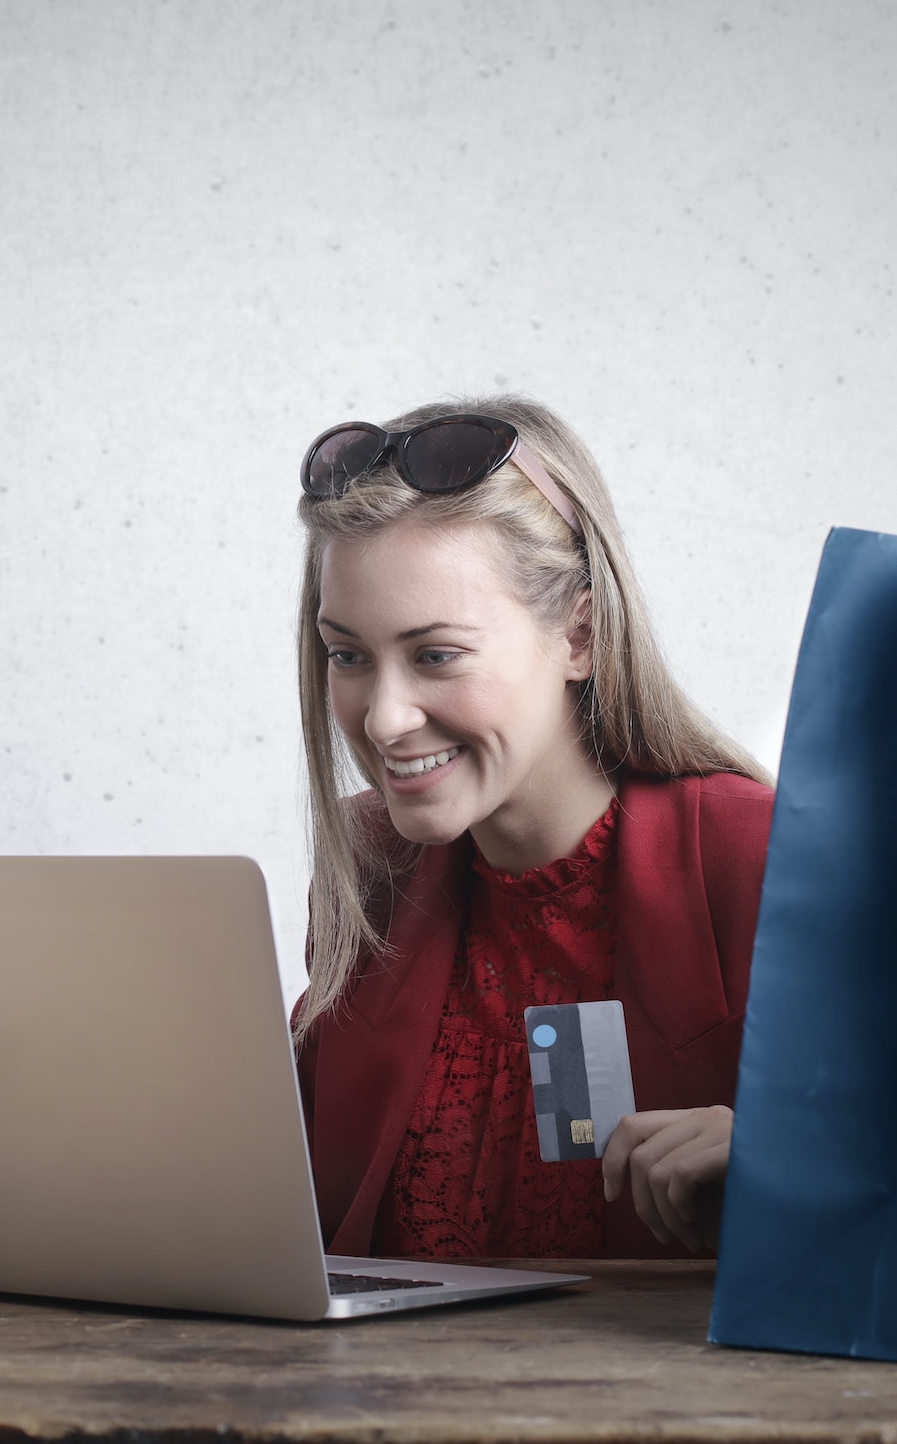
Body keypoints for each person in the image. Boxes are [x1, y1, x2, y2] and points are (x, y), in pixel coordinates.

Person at [290, 396, 774, 1260]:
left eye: (436, 653)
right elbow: (294, 1198)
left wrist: (797, 1163)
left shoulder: (755, 857)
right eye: (348, 655)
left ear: (580, 634)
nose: (385, 717)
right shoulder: (373, 870)